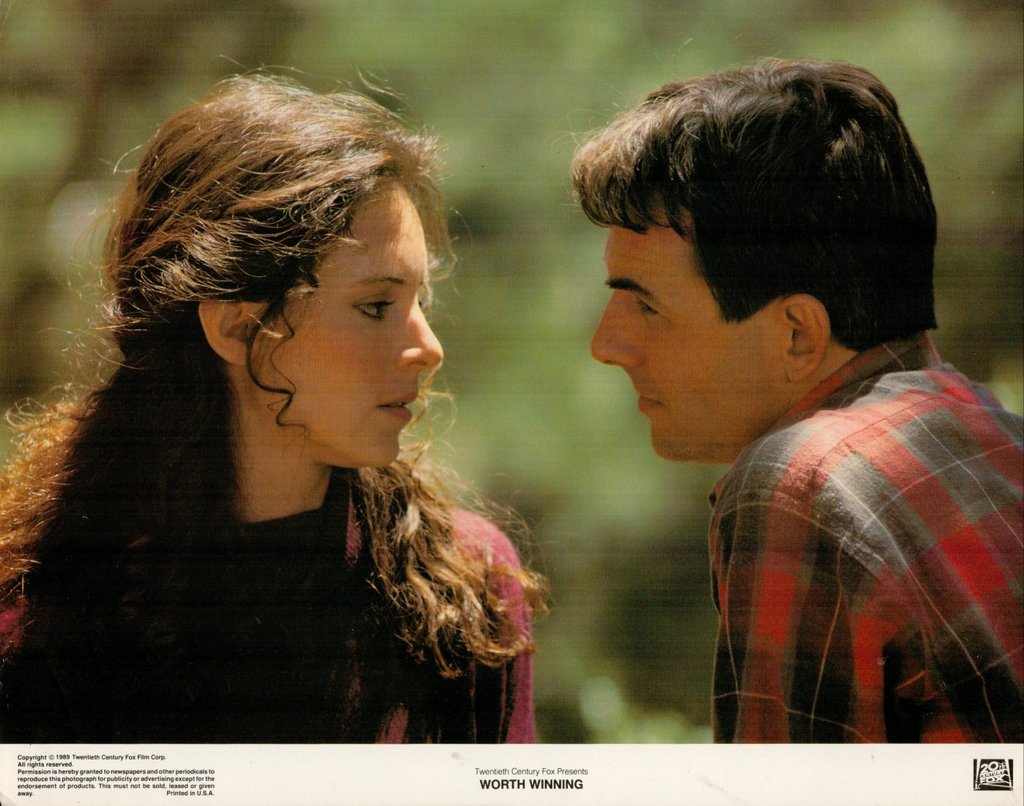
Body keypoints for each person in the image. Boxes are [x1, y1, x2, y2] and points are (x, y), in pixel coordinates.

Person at [0, 75, 545, 743]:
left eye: (421, 303)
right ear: (237, 326)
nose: (428, 348)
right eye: (376, 306)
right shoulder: (37, 618)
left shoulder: (465, 595)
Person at [572, 58, 1022, 743]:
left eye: (645, 306)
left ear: (796, 334)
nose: (606, 346)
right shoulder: (994, 430)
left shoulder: (798, 484)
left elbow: (780, 787)